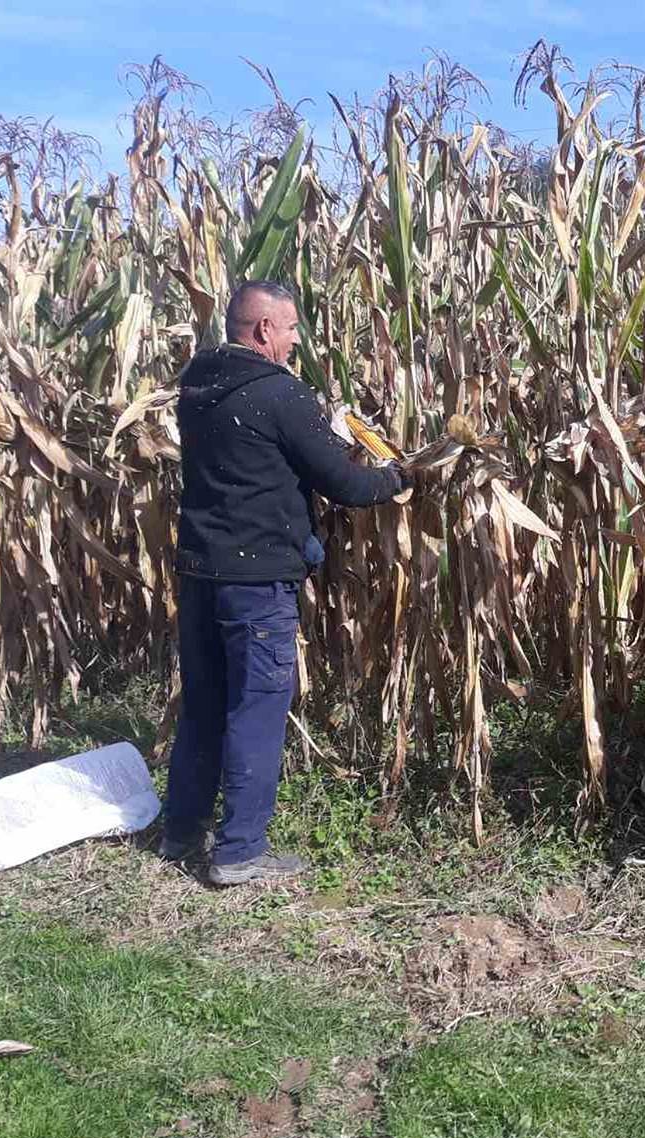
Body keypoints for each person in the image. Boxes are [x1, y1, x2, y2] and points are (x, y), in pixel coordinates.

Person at [160, 280, 420, 885]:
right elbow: (348, 487)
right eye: (293, 328)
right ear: (263, 331)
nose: (298, 339)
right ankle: (240, 850)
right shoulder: (280, 394)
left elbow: (257, 459)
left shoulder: (196, 388)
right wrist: (400, 476)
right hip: (256, 582)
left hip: (200, 571)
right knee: (256, 709)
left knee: (203, 705)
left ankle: (181, 832)